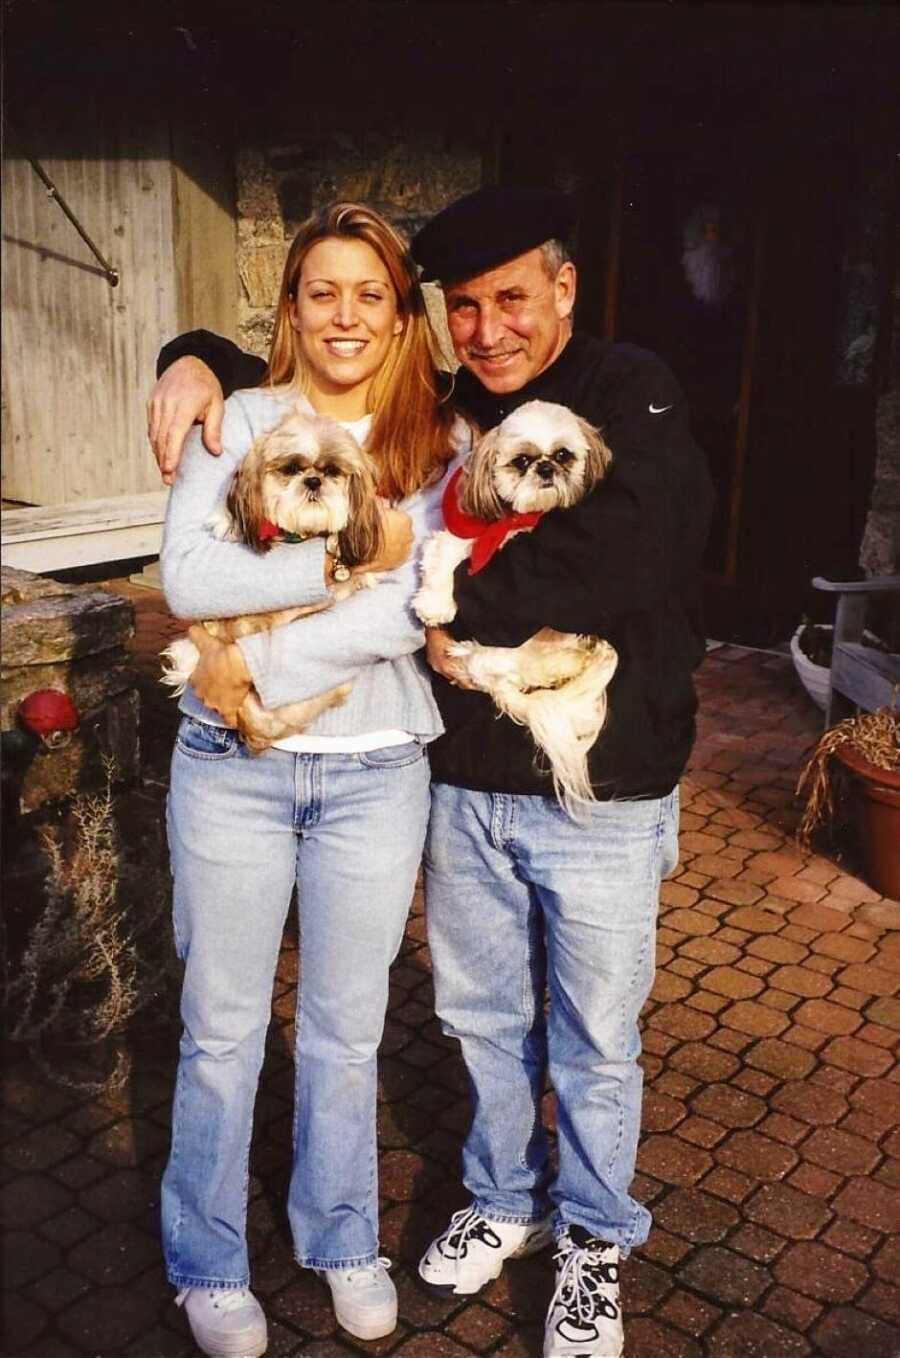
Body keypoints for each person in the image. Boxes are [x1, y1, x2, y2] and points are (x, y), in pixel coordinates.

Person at [149, 185, 714, 1358]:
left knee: (569, 1031)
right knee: (447, 1017)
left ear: (562, 287)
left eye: (514, 297)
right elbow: (213, 562)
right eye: (469, 306)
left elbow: (538, 575)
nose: (493, 326)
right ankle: (468, 1208)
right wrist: (191, 356)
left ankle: (558, 1242)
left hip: (526, 780)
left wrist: (356, 614)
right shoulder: (338, 420)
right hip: (436, 781)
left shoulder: (552, 409)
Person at [156, 201, 466, 1358]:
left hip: (376, 767)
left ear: (399, 316)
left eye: (369, 294)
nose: (345, 314)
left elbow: (404, 614)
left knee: (346, 1027)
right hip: (227, 770)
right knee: (221, 1027)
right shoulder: (234, 416)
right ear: (290, 310)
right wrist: (335, 566)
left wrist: (256, 654)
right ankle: (208, 1259)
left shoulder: (432, 445)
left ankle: (342, 1236)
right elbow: (186, 578)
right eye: (322, 291)